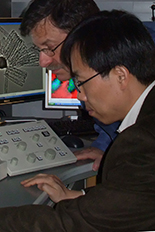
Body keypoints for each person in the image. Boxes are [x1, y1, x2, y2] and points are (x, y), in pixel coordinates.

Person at [0, 9, 155, 231]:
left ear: (120, 76)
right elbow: (133, 198)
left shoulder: (144, 142)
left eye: (81, 82)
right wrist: (80, 197)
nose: (81, 96)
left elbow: (67, 225)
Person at [20, 0, 120, 172]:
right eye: (40, 50)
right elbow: (112, 126)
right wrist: (104, 147)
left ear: (84, 35)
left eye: (49, 48)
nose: (43, 62)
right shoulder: (85, 77)